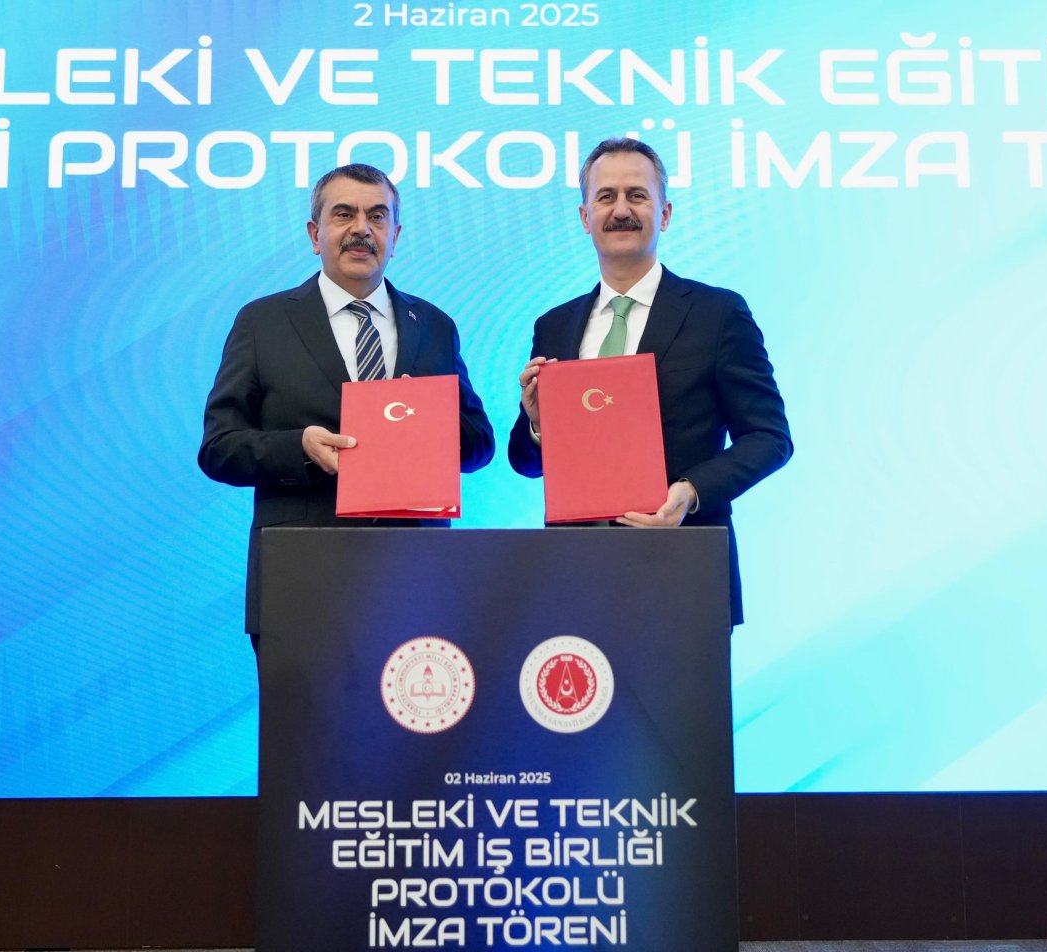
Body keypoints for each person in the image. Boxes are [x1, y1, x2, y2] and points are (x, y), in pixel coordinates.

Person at [199, 163, 495, 640]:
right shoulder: (262, 322)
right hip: (300, 574)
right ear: (315, 234)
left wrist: (429, 423)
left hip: (417, 578)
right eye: (344, 215)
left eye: (377, 216)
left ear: (396, 236)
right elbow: (219, 448)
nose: (362, 229)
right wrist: (299, 448)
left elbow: (479, 445)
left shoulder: (434, 325)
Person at [507, 138, 792, 627]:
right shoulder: (554, 325)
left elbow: (770, 438)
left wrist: (689, 492)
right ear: (585, 218)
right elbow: (525, 462)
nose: (621, 210)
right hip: (574, 575)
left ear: (665, 213)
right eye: (606, 196)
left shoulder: (718, 314)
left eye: (637, 195)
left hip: (683, 565)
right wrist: (537, 425)